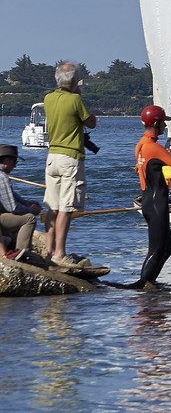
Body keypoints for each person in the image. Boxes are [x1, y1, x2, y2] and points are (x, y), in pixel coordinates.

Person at [42, 61, 96, 266]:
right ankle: (60, 253)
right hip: (70, 158)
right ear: (73, 80)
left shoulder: (47, 99)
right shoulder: (75, 100)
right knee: (66, 208)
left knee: (52, 207)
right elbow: (91, 122)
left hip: (52, 156)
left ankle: (49, 252)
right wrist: (78, 96)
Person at [133, 105, 171, 288]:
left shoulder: (141, 144)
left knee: (168, 247)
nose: (165, 127)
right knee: (158, 248)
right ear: (156, 123)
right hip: (156, 203)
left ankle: (150, 282)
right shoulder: (154, 147)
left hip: (149, 201)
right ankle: (143, 284)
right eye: (163, 123)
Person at [0, 143, 43, 259]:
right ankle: (22, 253)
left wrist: (25, 202)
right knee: (29, 219)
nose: (15, 166)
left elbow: (11, 196)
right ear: (7, 160)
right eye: (15, 162)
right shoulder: (2, 177)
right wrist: (30, 210)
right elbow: (12, 207)